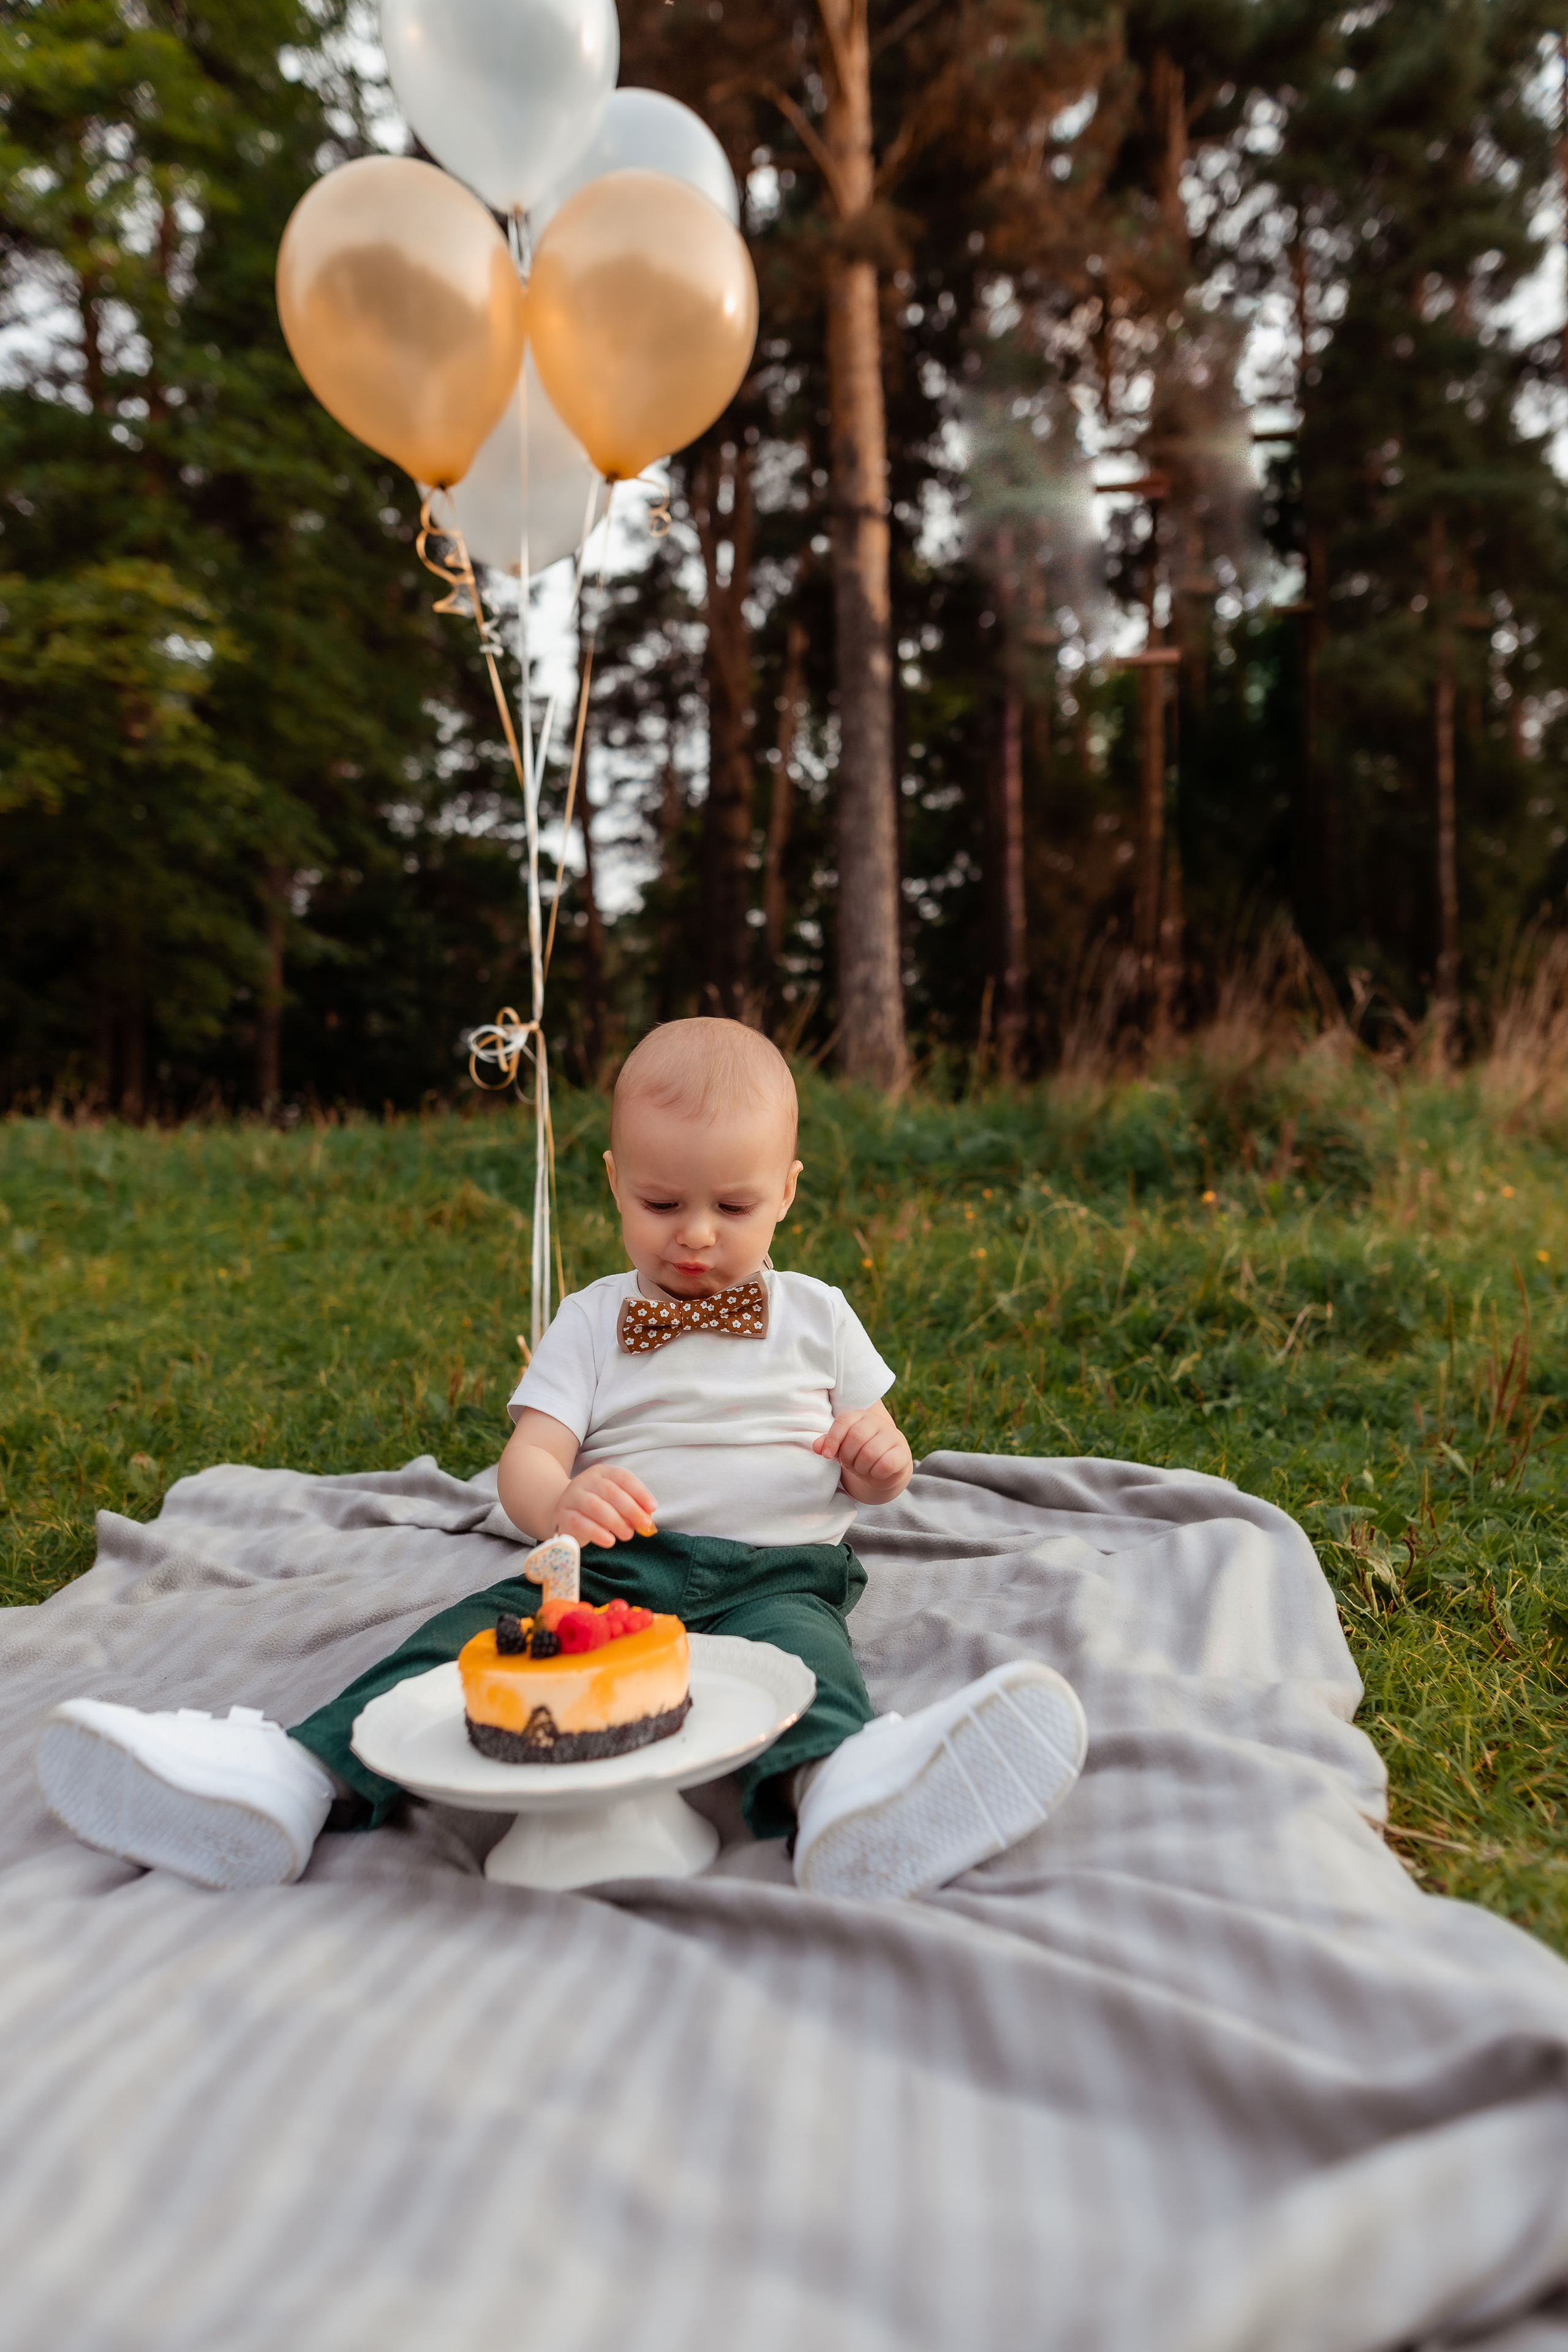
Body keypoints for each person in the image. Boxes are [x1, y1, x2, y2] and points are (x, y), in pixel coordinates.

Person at [36, 1020, 1087, 1899]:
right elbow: (525, 1464)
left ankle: (852, 1797)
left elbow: (879, 1470)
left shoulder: (818, 1314)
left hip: (782, 1570)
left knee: (810, 1668)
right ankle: (289, 1778)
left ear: (789, 1192)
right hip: (620, 1562)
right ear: (615, 1183)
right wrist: (562, 1500)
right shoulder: (593, 1321)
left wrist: (878, 1458)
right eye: (661, 1204)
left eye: (735, 1207)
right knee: (463, 1651)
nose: (695, 1237)